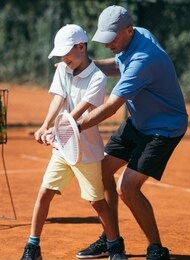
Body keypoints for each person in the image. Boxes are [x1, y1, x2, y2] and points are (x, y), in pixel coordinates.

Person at [75, 5, 188, 260]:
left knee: (127, 188)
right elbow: (116, 66)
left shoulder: (143, 59)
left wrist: (74, 126)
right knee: (102, 170)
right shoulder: (135, 37)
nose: (107, 44)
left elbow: (112, 107)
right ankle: (110, 238)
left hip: (164, 129)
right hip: (140, 122)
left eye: (111, 39)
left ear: (128, 30)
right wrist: (85, 66)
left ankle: (156, 249)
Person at [20, 24, 128, 260]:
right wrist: (45, 125)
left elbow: (79, 113)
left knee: (97, 203)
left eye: (66, 52)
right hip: (62, 150)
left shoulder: (97, 78)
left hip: (86, 152)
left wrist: (57, 131)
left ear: (81, 46)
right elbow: (58, 100)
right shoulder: (63, 69)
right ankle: (32, 247)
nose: (62, 58)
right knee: (44, 193)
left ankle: (115, 247)